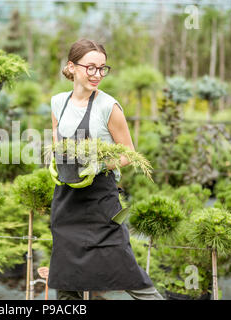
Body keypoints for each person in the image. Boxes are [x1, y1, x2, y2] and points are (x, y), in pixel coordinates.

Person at [48, 38, 164, 300]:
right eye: (91, 67)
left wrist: (97, 165)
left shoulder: (108, 106)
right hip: (66, 202)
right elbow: (57, 142)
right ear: (72, 67)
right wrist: (54, 164)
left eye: (102, 68)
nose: (97, 75)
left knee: (127, 271)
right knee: (67, 278)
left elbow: (129, 154)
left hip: (101, 201)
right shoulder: (58, 103)